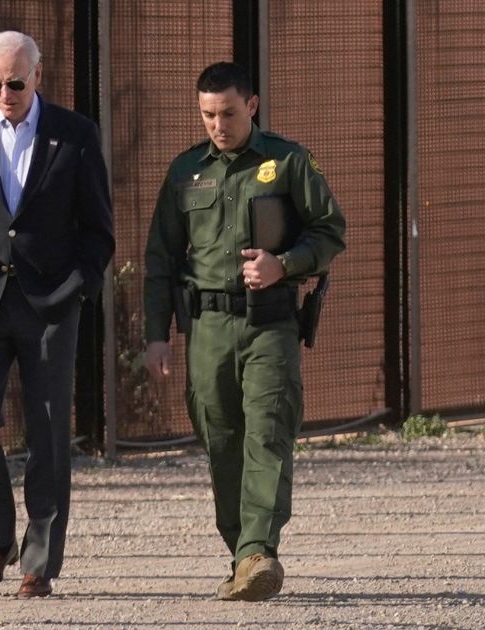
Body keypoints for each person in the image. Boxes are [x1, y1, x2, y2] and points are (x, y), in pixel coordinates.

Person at [142, 61, 346, 601]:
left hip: (270, 323)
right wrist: (156, 334)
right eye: (207, 114)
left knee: (267, 432)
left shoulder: (287, 161)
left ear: (251, 106)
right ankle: (241, 553)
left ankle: (259, 550)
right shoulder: (186, 171)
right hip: (207, 327)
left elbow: (330, 231)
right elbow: (160, 257)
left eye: (228, 112)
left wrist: (287, 263)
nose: (217, 124)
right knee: (222, 439)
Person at [0, 31, 114, 598]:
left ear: (37, 74)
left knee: (50, 431)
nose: (4, 94)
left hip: (51, 305)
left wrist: (79, 287)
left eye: (14, 82)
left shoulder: (75, 135)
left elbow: (97, 228)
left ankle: (40, 560)